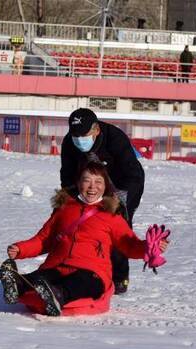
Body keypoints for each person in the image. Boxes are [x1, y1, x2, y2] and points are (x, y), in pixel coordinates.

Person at [0, 161, 169, 316]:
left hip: (92, 272)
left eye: (98, 182)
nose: (92, 187)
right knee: (42, 276)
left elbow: (128, 244)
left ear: (106, 186)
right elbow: (44, 239)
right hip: (59, 264)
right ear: (79, 182)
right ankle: (18, 284)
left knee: (83, 282)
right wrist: (21, 249)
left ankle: (58, 295)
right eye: (87, 180)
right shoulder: (65, 209)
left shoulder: (111, 216)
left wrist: (148, 247)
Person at [60, 108, 144, 295]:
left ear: (96, 130)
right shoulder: (69, 142)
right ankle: (84, 268)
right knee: (83, 224)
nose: (79, 139)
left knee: (117, 225)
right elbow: (67, 175)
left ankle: (120, 277)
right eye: (75, 135)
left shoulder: (115, 138)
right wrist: (70, 199)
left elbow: (132, 174)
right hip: (89, 183)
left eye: (84, 134)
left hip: (123, 184)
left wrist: (118, 200)